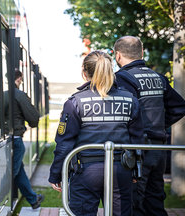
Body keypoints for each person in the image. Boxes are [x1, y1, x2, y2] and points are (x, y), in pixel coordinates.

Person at [48, 51, 144, 216]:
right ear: (110, 71)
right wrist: (136, 170)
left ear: (84, 73)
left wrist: (56, 174)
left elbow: (65, 144)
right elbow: (138, 139)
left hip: (86, 171)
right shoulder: (130, 100)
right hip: (120, 170)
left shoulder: (75, 102)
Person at [113, 36, 185, 216]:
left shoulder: (121, 79)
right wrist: (160, 124)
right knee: (155, 200)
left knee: (134, 203)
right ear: (142, 53)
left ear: (118, 55)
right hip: (158, 147)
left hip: (135, 149)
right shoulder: (158, 78)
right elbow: (179, 107)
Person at [0, 70, 44, 209]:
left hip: (8, 140)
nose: (21, 82)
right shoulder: (19, 95)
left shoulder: (3, 95)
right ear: (19, 79)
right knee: (12, 172)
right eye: (21, 80)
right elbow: (33, 117)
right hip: (16, 140)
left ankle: (33, 200)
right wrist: (32, 124)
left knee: (18, 170)